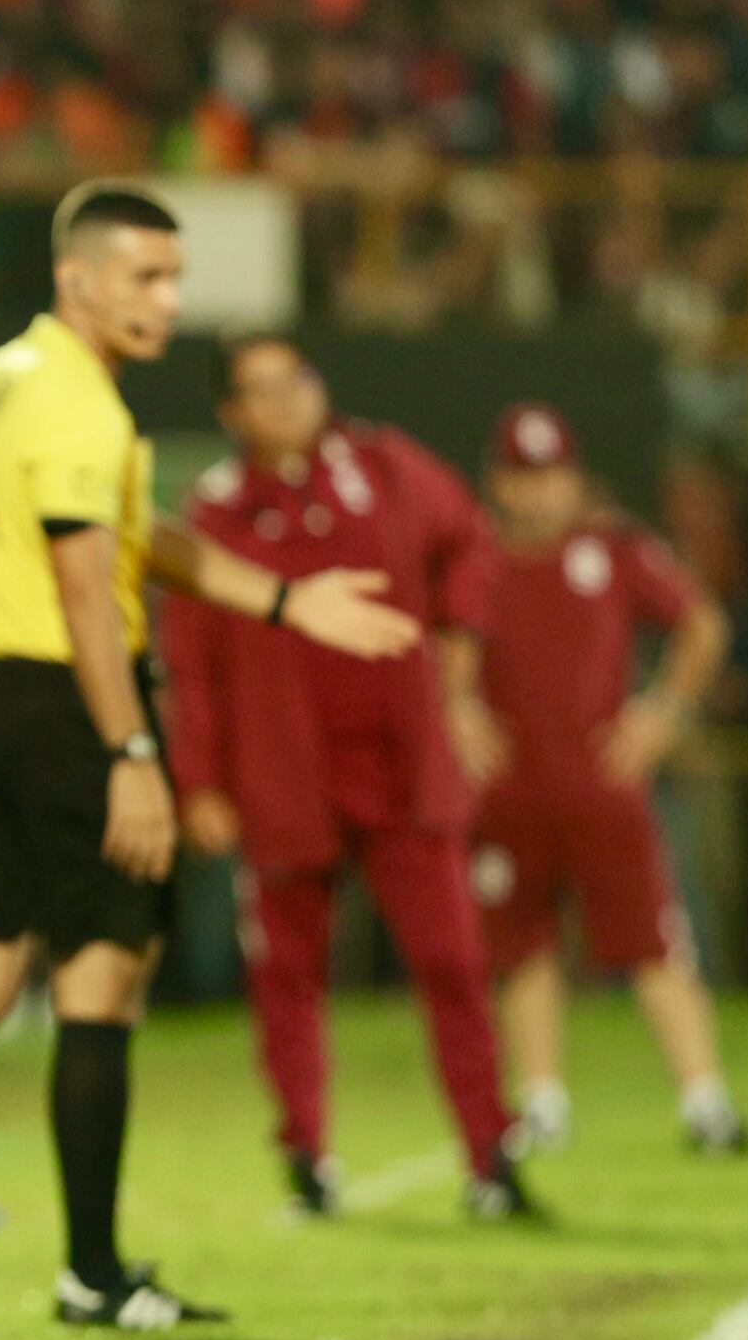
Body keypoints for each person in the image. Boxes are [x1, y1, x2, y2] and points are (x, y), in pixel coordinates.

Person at [0, 193, 422, 1335]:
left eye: (173, 277)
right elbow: (82, 585)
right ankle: (93, 1272)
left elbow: (124, 533)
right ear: (79, 280)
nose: (167, 300)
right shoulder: (78, 404)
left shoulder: (14, 371)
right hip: (67, 705)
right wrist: (128, 752)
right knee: (103, 969)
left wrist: (277, 597)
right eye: (145, 277)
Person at [157, 337, 535, 1221]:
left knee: (451, 960)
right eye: (264, 389)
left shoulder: (386, 466)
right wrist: (201, 781)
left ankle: (492, 1152)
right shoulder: (214, 509)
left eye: (299, 378)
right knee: (287, 974)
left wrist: (459, 656)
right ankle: (306, 1152)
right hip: (287, 776)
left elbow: (467, 544)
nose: (287, 400)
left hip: (401, 768)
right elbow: (193, 654)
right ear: (232, 412)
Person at [472, 403, 748, 1156]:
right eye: (523, 477)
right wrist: (457, 710)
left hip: (602, 784)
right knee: (521, 948)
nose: (537, 494)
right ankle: (543, 1100)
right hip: (510, 789)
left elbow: (702, 624)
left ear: (574, 476)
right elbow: (441, 645)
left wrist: (662, 712)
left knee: (655, 943)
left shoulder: (615, 549)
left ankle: (705, 1100)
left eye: (551, 475)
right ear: (499, 481)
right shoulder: (475, 558)